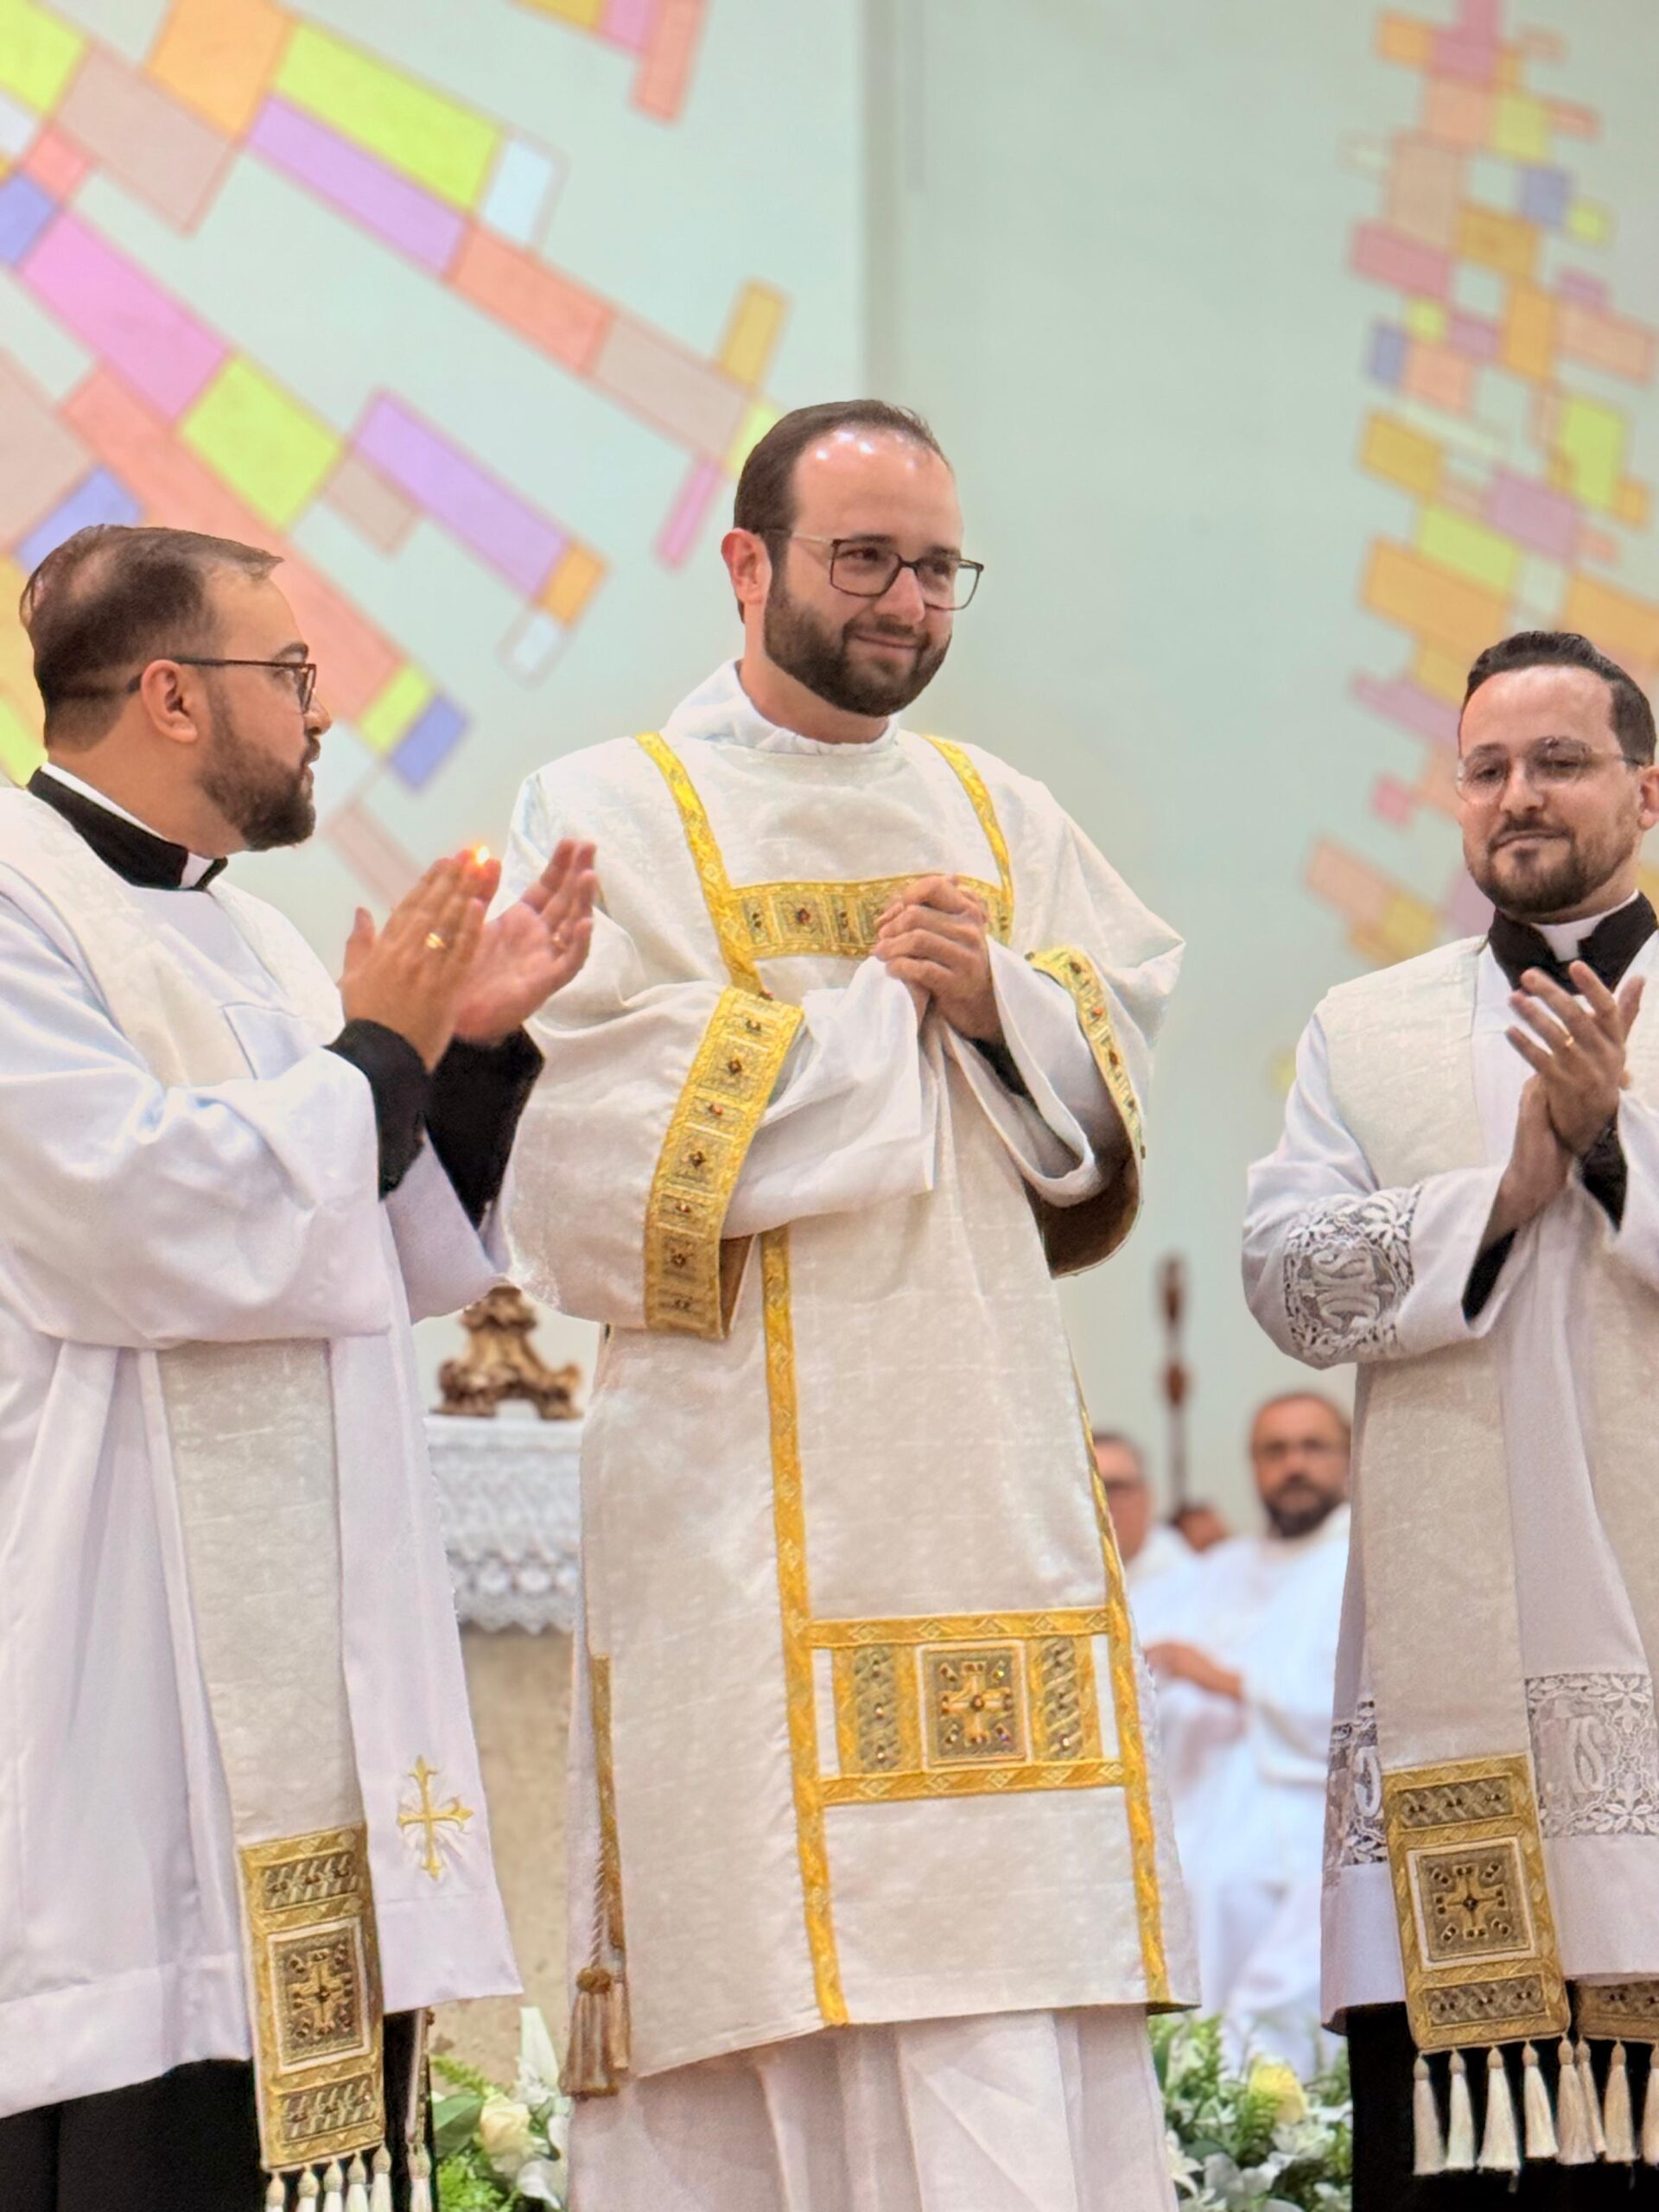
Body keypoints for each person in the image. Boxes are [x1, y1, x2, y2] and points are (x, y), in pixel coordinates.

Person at [500, 400, 1197, 2210]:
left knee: (994, 1992)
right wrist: (885, 1018)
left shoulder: (997, 811)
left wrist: (999, 1005)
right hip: (731, 1509)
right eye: (864, 557)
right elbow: (574, 1131)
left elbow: (1110, 1084)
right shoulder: (608, 807)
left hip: (984, 1485)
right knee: (763, 1985)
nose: (905, 598)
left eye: (936, 564)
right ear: (748, 563)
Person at [0, 524, 597, 2212]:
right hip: (126, 1662)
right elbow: (132, 1219)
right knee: (157, 2124)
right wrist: (384, 1049)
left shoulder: (260, 947)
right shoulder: (15, 907)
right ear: (173, 693)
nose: (323, 713)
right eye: (292, 676)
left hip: (310, 1680)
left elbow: (372, 1252)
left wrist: (461, 1057)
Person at [1243, 628, 1659, 2205]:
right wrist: (1507, 1191)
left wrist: (1614, 1152)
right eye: (1487, 767)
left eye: (1558, 761)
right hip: (1450, 1670)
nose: (1518, 794)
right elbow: (1285, 1278)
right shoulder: (1374, 1027)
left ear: (1646, 788)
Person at [1134, 1394, 1350, 2074]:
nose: (1294, 1465)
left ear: (1346, 1458)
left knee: (1229, 1884)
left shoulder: (1361, 1559)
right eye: (1274, 1450)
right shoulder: (1219, 1568)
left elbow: (1358, 1709)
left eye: (1312, 1447)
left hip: (1307, 1803)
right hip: (1207, 1800)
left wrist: (1222, 1679)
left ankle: (1259, 2104)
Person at [1093, 1428, 1192, 1592]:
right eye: (1087, 1491)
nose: (1100, 1505)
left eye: (1113, 1489)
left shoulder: (1192, 1592)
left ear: (1147, 1496)